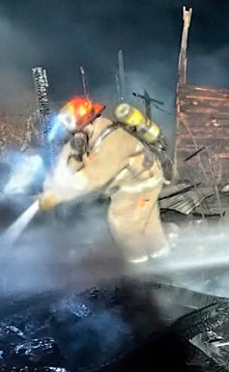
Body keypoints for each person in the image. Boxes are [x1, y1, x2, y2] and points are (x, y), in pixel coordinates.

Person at [38, 96, 169, 264]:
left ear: (89, 122)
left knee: (122, 221)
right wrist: (50, 187)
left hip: (141, 184)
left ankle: (138, 263)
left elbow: (94, 176)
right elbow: (64, 165)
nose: (75, 137)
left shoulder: (114, 140)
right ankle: (160, 254)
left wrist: (58, 196)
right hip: (128, 185)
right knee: (148, 222)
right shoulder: (84, 136)